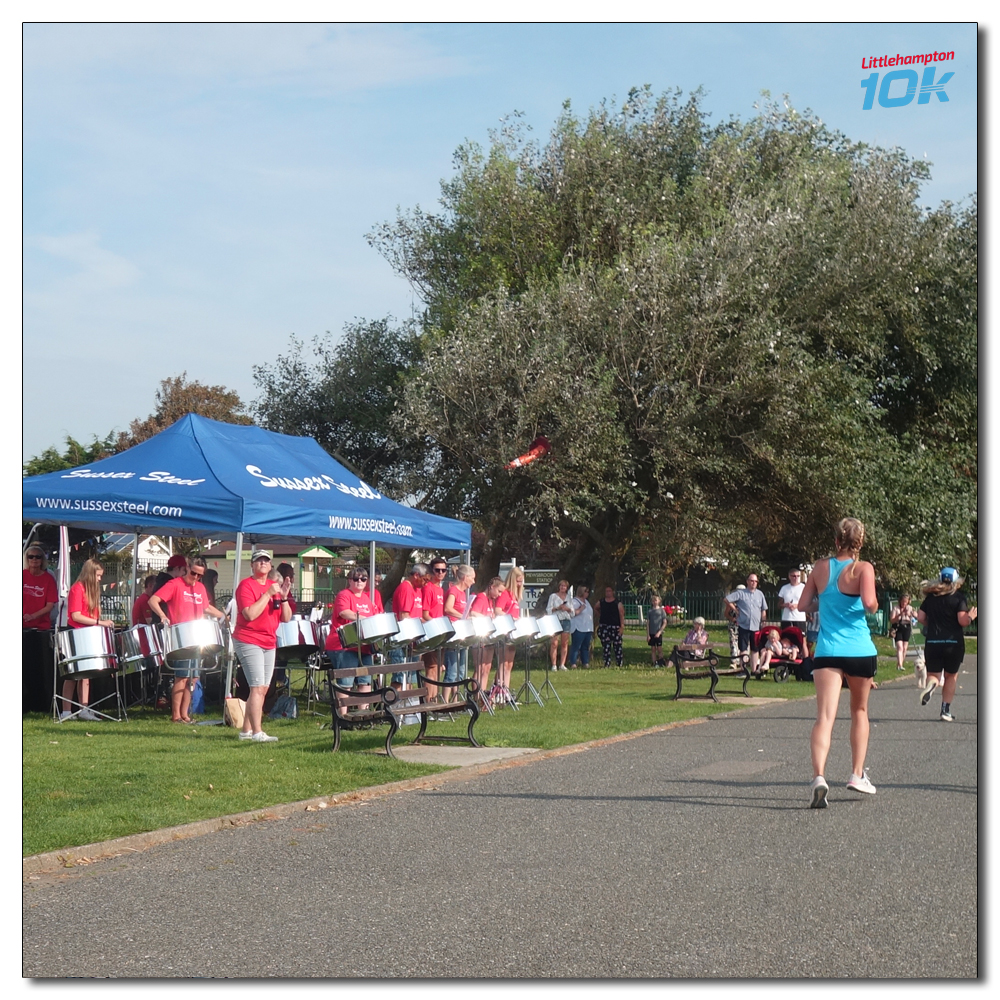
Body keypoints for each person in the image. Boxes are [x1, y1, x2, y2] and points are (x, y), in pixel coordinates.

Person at [796, 517, 880, 808]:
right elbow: (870, 604)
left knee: (824, 717)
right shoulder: (863, 568)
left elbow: (803, 605)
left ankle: (819, 777)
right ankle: (857, 774)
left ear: (836, 541)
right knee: (859, 710)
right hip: (858, 649)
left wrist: (827, 601)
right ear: (860, 542)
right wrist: (868, 600)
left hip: (828, 651)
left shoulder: (820, 567)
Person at [149, 556, 227, 723]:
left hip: (196, 638)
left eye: (200, 575)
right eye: (194, 574)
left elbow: (205, 607)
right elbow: (153, 600)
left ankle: (185, 714)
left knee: (193, 678)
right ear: (186, 569)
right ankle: (176, 715)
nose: (197, 578)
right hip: (182, 637)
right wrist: (163, 616)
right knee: (182, 676)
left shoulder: (199, 588)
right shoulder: (175, 584)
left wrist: (222, 615)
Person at [231, 551, 292, 742]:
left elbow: (286, 617)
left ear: (271, 565)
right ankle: (258, 732)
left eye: (266, 560)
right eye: (259, 560)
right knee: (257, 687)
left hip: (269, 640)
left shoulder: (273, 586)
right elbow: (249, 614)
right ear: (252, 565)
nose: (263, 563)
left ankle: (246, 731)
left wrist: (283, 597)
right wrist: (267, 594)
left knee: (263, 688)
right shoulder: (246, 586)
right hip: (248, 639)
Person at [916, 568, 977, 722]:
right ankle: (945, 710)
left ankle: (931, 685)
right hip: (953, 643)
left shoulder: (931, 597)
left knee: (934, 675)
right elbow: (962, 621)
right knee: (950, 677)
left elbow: (921, 616)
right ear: (956, 582)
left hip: (933, 641)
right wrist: (970, 616)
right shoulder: (958, 598)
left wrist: (931, 623)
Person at [62, 558, 116, 721]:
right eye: (98, 576)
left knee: (86, 674)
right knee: (73, 674)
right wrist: (100, 622)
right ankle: (66, 711)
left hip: (89, 633)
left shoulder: (93, 591)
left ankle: (84, 709)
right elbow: (75, 615)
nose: (100, 579)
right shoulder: (77, 589)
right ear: (90, 574)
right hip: (76, 632)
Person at [325, 566, 380, 712]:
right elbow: (344, 612)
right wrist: (364, 618)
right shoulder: (344, 595)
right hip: (344, 645)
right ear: (349, 580)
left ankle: (363, 714)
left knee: (365, 681)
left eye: (363, 579)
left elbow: (375, 617)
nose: (359, 581)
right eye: (356, 578)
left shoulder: (367, 598)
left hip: (364, 645)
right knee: (346, 681)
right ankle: (343, 715)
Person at [23, 544, 58, 713]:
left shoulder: (48, 579)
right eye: (31, 557)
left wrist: (33, 616)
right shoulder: (21, 576)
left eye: (38, 557)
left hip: (40, 630)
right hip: (23, 629)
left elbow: (50, 605)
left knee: (39, 670)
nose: (34, 560)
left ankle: (40, 705)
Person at [390, 564, 428, 691]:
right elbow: (404, 616)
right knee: (400, 677)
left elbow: (417, 616)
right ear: (416, 575)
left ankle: (408, 707)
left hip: (413, 637)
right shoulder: (406, 588)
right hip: (403, 638)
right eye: (425, 580)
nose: (426, 583)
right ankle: (393, 706)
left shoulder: (417, 589)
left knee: (411, 676)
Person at [442, 565, 476, 701]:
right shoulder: (453, 591)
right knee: (452, 670)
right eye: (472, 578)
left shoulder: (462, 593)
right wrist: (463, 616)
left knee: (460, 671)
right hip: (453, 634)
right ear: (465, 577)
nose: (473, 582)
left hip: (461, 633)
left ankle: (455, 700)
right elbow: (448, 608)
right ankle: (444, 702)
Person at [724, 574, 768, 675]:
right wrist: (735, 609)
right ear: (747, 581)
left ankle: (754, 670)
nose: (754, 583)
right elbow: (726, 599)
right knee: (743, 648)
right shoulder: (741, 593)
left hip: (756, 626)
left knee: (755, 648)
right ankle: (743, 669)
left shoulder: (760, 594)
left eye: (756, 581)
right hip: (744, 625)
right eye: (752, 581)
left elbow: (763, 609)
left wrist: (764, 621)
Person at [470, 576, 505, 696]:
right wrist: (488, 618)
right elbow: (473, 613)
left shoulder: (491, 600)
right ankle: (476, 696)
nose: (500, 595)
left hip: (488, 638)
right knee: (480, 668)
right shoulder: (481, 597)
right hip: (479, 638)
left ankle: (482, 695)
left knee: (487, 668)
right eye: (499, 591)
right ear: (492, 587)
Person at [421, 557, 449, 698]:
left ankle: (434, 701)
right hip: (431, 632)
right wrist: (437, 626)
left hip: (439, 632)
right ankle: (428, 702)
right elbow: (425, 614)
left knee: (437, 669)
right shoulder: (428, 588)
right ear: (431, 570)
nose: (440, 573)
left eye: (443, 570)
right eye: (437, 570)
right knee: (431, 669)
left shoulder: (439, 589)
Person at [496, 566, 525, 695]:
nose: (520, 584)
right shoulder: (506, 593)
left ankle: (505, 691)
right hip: (504, 630)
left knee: (509, 664)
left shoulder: (516, 595)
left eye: (521, 581)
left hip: (514, 631)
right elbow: (498, 610)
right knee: (503, 663)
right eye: (518, 581)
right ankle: (498, 690)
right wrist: (510, 618)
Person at [546, 580, 574, 670]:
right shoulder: (553, 596)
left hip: (566, 620)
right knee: (554, 643)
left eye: (564, 586)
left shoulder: (569, 598)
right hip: (555, 620)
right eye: (561, 585)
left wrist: (567, 609)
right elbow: (548, 609)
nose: (562, 587)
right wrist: (558, 608)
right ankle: (554, 664)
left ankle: (562, 664)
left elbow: (572, 612)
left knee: (564, 643)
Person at [596, 586, 625, 668]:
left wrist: (622, 626)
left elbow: (621, 615)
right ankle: (607, 663)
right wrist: (600, 616)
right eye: (606, 591)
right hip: (604, 627)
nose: (608, 593)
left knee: (617, 645)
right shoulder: (601, 602)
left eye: (609, 591)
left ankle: (619, 663)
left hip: (615, 627)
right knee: (606, 646)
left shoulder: (617, 603)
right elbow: (596, 608)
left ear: (613, 592)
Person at [568, 584, 594, 668]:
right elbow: (573, 613)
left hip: (587, 628)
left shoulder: (587, 602)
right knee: (576, 646)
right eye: (586, 591)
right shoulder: (574, 601)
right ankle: (573, 663)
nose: (587, 593)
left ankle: (585, 662)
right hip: (578, 627)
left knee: (585, 646)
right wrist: (581, 609)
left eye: (588, 592)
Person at [890, 593, 917, 672]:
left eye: (906, 602)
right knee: (900, 647)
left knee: (905, 648)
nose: (904, 604)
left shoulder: (910, 608)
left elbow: (916, 616)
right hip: (898, 627)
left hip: (907, 627)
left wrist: (911, 614)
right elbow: (892, 620)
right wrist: (900, 615)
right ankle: (900, 665)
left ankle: (901, 664)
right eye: (903, 602)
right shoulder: (896, 608)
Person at [646, 595, 667, 666]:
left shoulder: (661, 611)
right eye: (653, 601)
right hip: (651, 632)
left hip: (658, 633)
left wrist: (660, 632)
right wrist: (648, 635)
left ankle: (661, 661)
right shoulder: (650, 611)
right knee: (653, 649)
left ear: (659, 601)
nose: (654, 602)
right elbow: (648, 623)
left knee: (659, 648)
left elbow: (664, 622)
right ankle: (654, 662)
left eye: (656, 600)